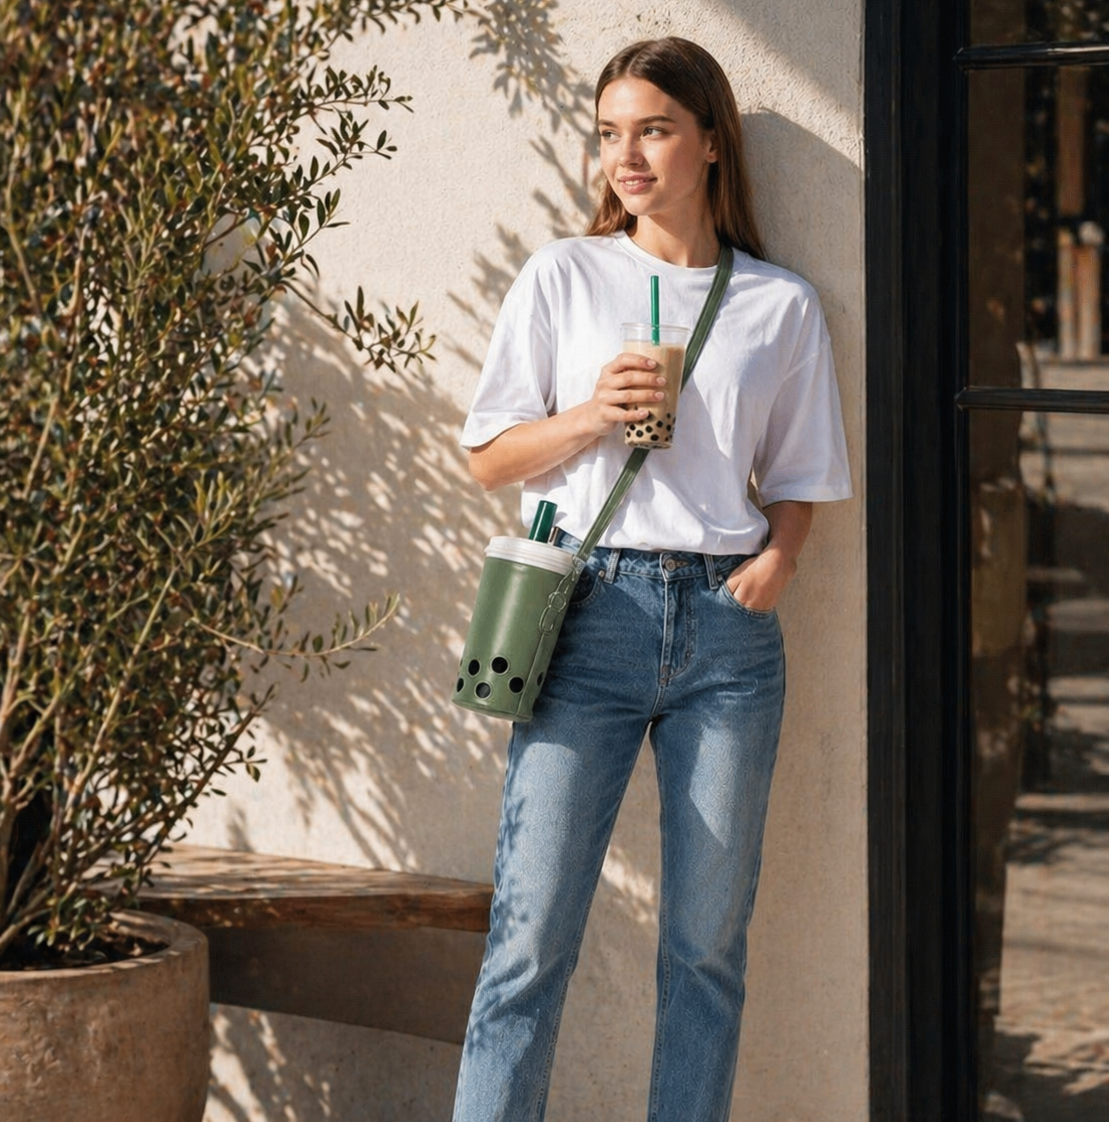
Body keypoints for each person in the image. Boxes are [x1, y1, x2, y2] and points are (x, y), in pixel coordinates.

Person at [453, 36, 852, 1122]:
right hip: (588, 618)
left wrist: (776, 560)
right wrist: (590, 414)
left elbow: (804, 472)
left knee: (705, 949)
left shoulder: (778, 304)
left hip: (726, 637)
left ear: (710, 141)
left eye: (653, 129)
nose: (624, 156)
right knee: (529, 937)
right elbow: (487, 457)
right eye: (608, 134)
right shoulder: (564, 275)